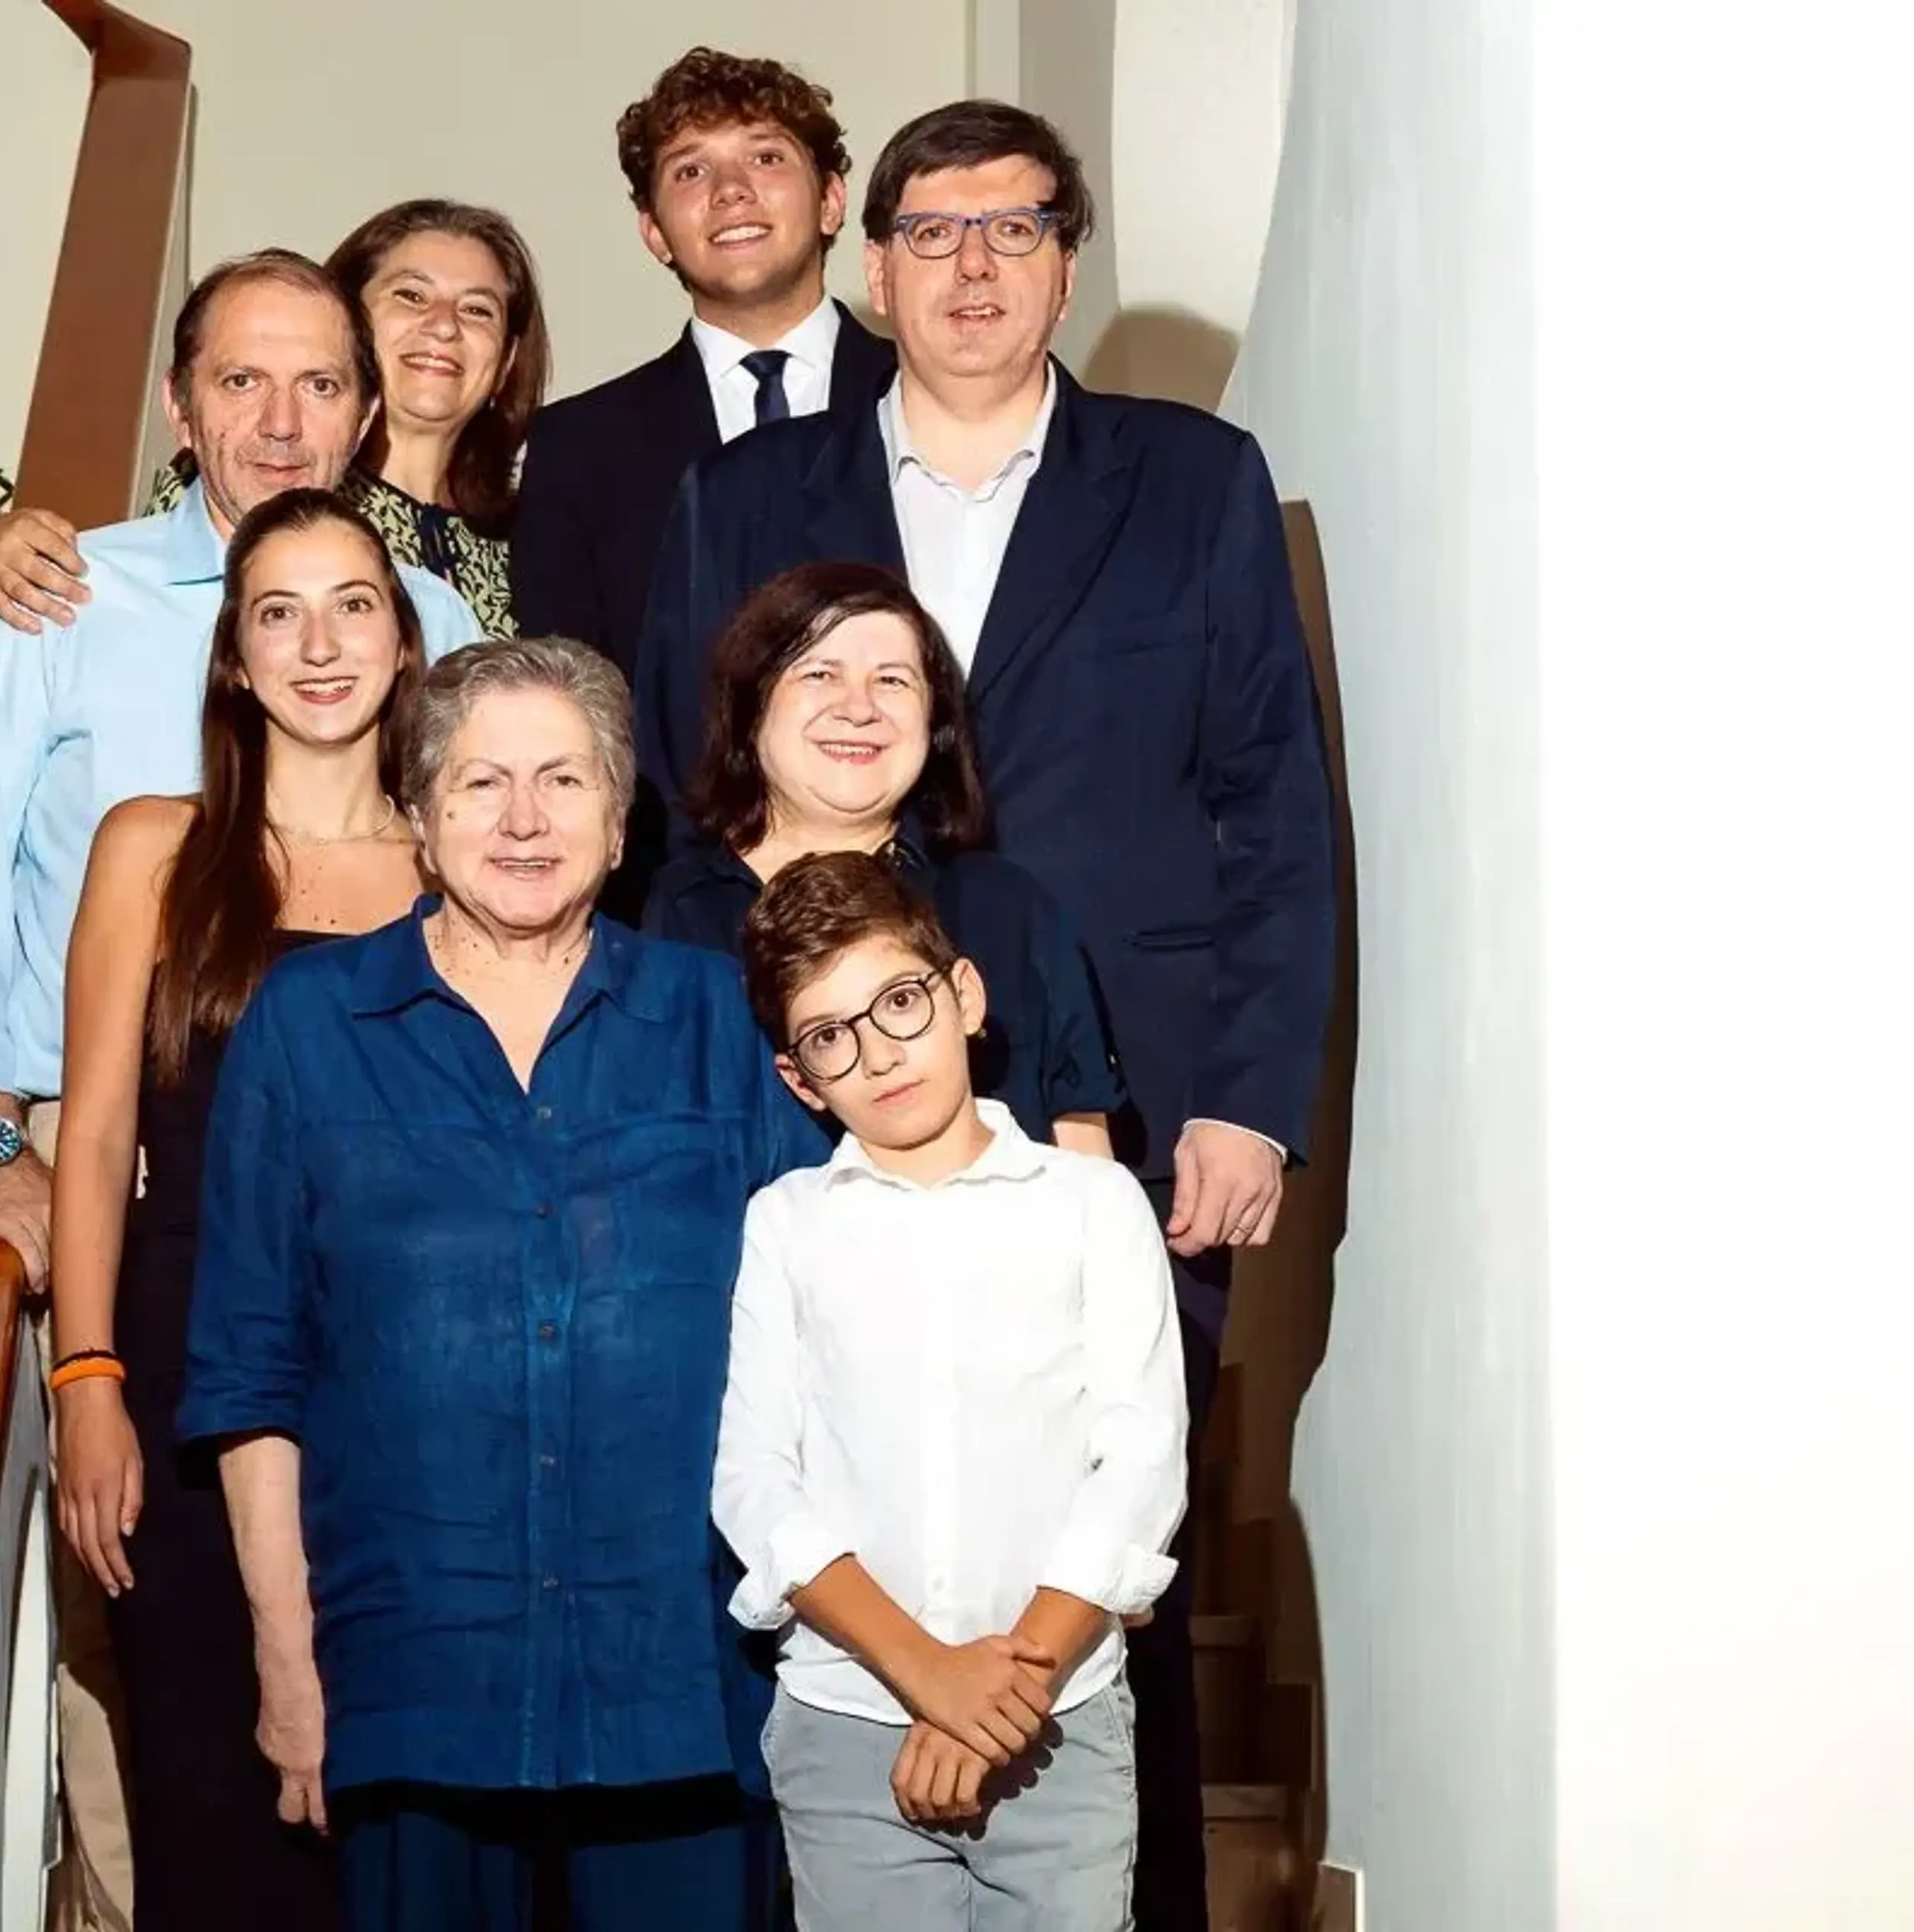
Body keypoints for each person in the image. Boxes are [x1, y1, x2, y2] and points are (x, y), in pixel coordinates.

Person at [626, 99, 1337, 1932]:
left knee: (1107, 1545)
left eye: (1011, 230)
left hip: (1125, 1115)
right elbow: (669, 801)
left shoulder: (1189, 480)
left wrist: (1251, 1103)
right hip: (795, 1087)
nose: (968, 266)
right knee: (806, 1509)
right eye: (929, 232)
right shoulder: (742, 498)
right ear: (872, 264)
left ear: (1064, 263)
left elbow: (1274, 809)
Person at [0, 247, 482, 1932]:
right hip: (113, 1138)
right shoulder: (61, 592)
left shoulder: (443, 624)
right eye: (240, 381)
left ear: (370, 413)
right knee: (152, 1690)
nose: (281, 418)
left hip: (398, 1260)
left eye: (319, 383)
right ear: (179, 406)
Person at [176, 638, 829, 1932]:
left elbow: (838, 1329)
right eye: (479, 785)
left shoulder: (723, 1023)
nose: (524, 822)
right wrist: (288, 1658)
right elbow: (251, 1374)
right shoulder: (307, 1027)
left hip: (686, 1683)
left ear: (620, 815)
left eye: (564, 782)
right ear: (418, 818)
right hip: (408, 1678)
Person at [46, 488, 431, 1932]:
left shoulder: (463, 861)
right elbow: (91, 1139)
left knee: (391, 1796)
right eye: (279, 611)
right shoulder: (154, 845)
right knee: (212, 1787)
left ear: (404, 641)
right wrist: (88, 1381)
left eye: (353, 606)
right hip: (183, 1369)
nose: (318, 644)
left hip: (401, 1382)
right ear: (235, 655)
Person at [714, 849, 1188, 1931]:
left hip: (1057, 1720)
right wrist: (928, 1673)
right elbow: (755, 1483)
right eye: (832, 1036)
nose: (879, 1053)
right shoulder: (786, 1224)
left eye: (900, 1003)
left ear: (964, 995)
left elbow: (1139, 1462)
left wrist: (996, 1692)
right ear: (800, 1078)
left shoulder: (1090, 1203)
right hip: (848, 1727)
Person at [642, 560, 1118, 1155]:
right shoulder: (673, 919)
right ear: (751, 706)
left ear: (935, 722)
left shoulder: (1006, 909)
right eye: (820, 674)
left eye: (892, 681)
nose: (859, 709)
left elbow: (1083, 1156)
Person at [0, 201, 548, 638]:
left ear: (506, 361)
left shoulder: (530, 532)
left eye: (477, 309)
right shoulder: (259, 479)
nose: (444, 326)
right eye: (410, 296)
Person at [507, 48, 897, 679]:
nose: (731, 192)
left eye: (766, 158)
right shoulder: (577, 448)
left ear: (831, 200)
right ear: (654, 232)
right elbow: (568, 705)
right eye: (690, 172)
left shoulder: (928, 396)